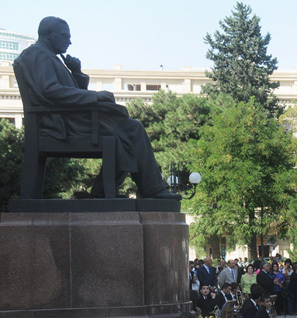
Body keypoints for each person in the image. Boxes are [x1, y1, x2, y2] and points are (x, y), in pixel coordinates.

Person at [15, 17, 180, 200]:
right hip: (61, 124)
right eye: (64, 36)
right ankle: (145, 190)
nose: (69, 41)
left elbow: (69, 93)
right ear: (47, 34)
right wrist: (96, 96)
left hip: (71, 119)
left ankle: (109, 191)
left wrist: (76, 72)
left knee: (130, 130)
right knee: (131, 131)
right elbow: (50, 91)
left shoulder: (49, 57)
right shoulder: (37, 54)